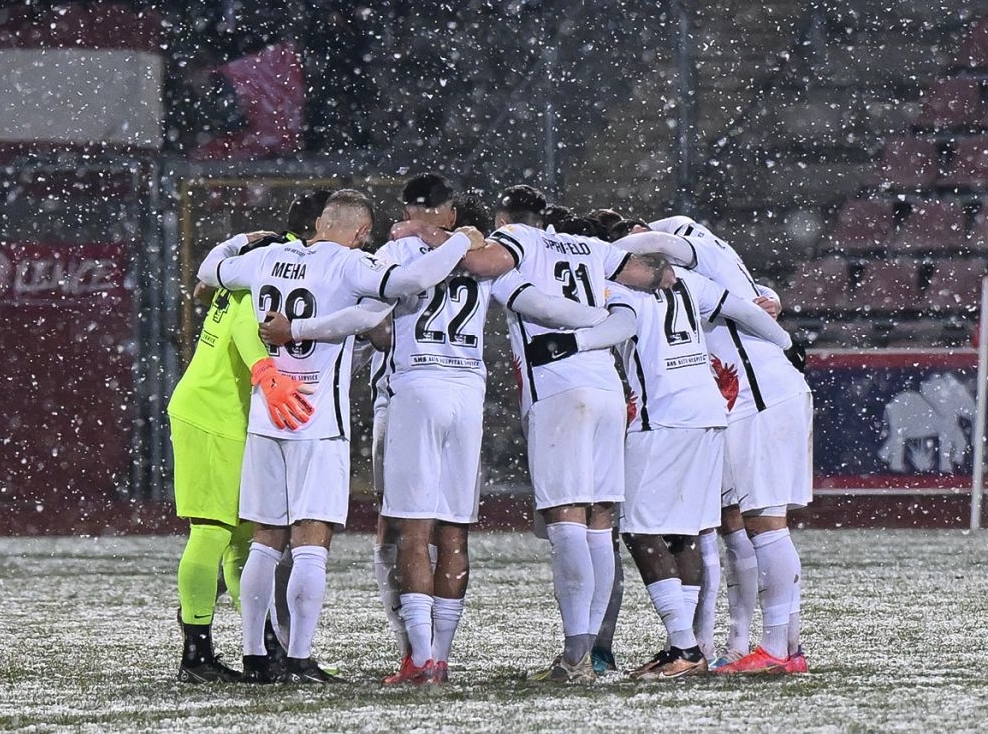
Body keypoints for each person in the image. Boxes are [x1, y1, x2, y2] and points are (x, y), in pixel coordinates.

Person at [199, 189, 478, 681]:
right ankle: (301, 657)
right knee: (311, 543)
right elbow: (411, 279)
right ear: (358, 232)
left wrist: (240, 238)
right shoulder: (349, 265)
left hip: (267, 417)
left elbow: (210, 268)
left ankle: (255, 655)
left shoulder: (266, 257)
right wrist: (460, 244)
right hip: (316, 421)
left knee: (265, 540)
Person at [379, 179, 637, 684]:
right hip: (485, 389)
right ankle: (588, 650)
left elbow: (380, 305)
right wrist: (593, 323)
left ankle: (424, 658)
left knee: (413, 528)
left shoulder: (412, 249)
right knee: (461, 530)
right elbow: (586, 304)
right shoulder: (560, 255)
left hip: (428, 383)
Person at [458, 184, 663, 682]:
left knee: (566, 517)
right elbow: (650, 284)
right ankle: (589, 653)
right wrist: (600, 316)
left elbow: (522, 296)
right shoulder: (593, 250)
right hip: (608, 390)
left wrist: (461, 240)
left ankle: (575, 657)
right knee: (597, 520)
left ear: (507, 220)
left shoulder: (515, 245)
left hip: (559, 389)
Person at [165, 189, 330, 682]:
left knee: (242, 541)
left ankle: (264, 646)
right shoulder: (261, 282)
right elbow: (243, 331)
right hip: (211, 415)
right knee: (212, 532)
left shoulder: (251, 269)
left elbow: (204, 288)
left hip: (229, 417)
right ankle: (195, 653)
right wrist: (266, 373)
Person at [609, 262, 793, 678]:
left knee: (640, 529)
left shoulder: (617, 284)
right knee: (691, 529)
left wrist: (575, 341)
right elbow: (745, 300)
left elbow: (612, 326)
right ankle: (696, 644)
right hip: (708, 409)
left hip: (663, 416)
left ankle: (688, 646)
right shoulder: (688, 277)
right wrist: (783, 337)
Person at [648, 216, 814, 675]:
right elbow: (751, 291)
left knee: (765, 524)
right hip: (750, 396)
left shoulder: (684, 242)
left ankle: (777, 650)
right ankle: (774, 646)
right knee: (750, 524)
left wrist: (611, 249)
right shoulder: (715, 266)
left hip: (760, 396)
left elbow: (667, 240)